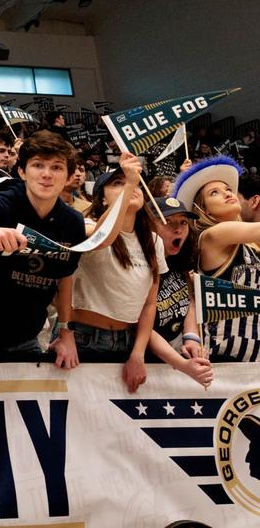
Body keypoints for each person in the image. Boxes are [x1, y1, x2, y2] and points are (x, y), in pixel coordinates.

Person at [0, 131, 88, 360]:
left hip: (26, 339)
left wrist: (65, 332)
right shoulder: (5, 202)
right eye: (38, 165)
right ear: (22, 171)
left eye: (57, 167)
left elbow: (65, 277)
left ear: (69, 175)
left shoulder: (72, 222)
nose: (47, 175)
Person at [53, 160, 173, 392]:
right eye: (118, 182)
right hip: (81, 337)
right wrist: (65, 332)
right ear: (103, 198)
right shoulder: (86, 225)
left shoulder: (153, 240)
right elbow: (100, 237)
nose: (131, 186)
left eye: (136, 183)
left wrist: (138, 354)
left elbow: (149, 304)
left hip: (126, 341)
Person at [173, 156, 260, 361]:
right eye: (215, 193)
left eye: (228, 189)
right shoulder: (211, 237)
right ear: (202, 209)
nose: (227, 193)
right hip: (226, 354)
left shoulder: (249, 244)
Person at [147, 195, 213, 386]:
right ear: (148, 226)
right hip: (148, 358)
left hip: (175, 353)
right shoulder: (142, 266)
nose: (178, 229)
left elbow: (188, 300)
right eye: (167, 222)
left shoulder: (180, 261)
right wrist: (183, 365)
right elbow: (140, 327)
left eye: (183, 222)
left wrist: (191, 339)